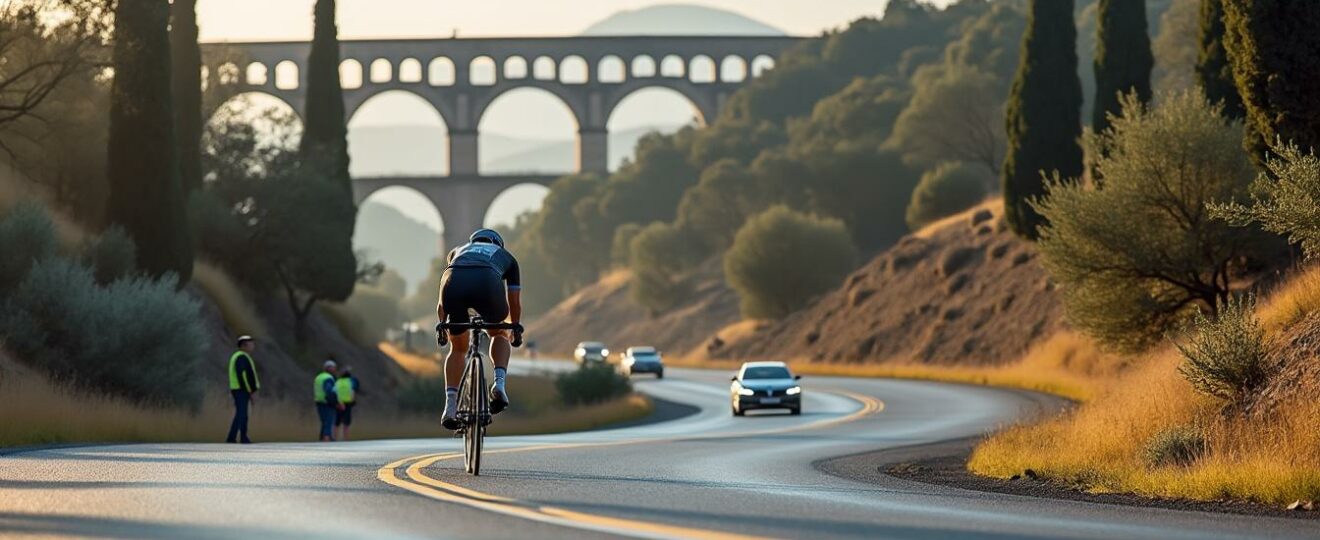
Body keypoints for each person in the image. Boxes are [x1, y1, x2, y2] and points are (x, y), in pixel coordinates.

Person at [436, 228, 524, 430]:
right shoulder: (506, 257)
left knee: (457, 349)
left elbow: (442, 298)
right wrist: (515, 327)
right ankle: (499, 385)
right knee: (499, 332)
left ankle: (450, 406)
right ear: (497, 244)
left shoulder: (457, 251)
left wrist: (442, 325)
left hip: (453, 284)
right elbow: (514, 301)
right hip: (487, 283)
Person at [226, 336, 260, 444]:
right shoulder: (241, 357)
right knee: (242, 414)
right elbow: (243, 375)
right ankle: (240, 437)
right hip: (241, 389)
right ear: (244, 345)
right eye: (251, 343)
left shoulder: (240, 356)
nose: (253, 346)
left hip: (239, 389)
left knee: (241, 414)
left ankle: (235, 437)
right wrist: (250, 390)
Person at [313, 360, 341, 442]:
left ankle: (323, 438)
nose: (334, 369)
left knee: (324, 421)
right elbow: (329, 391)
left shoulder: (319, 377)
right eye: (333, 367)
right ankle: (326, 439)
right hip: (327, 403)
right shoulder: (328, 378)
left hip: (319, 401)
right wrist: (336, 403)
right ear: (329, 368)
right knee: (328, 421)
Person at [334, 367, 359, 441]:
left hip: (339, 403)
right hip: (348, 403)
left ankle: (335, 437)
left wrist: (337, 402)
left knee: (337, 422)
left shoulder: (338, 382)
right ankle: (346, 438)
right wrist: (353, 400)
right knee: (346, 422)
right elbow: (352, 391)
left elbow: (334, 392)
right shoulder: (350, 381)